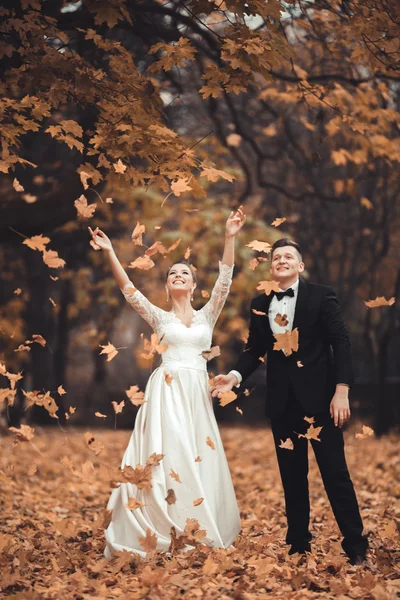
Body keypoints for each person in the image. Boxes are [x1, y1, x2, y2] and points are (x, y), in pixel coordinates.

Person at [88, 208, 245, 558]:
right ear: (167, 285)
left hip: (197, 394)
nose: (177, 275)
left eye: (183, 273)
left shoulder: (208, 314)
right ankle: (157, 525)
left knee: (196, 455)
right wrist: (111, 251)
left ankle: (195, 522)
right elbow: (129, 290)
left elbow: (226, 278)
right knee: (167, 454)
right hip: (168, 389)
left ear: (192, 285)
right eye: (172, 273)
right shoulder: (159, 316)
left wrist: (230, 237)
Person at [212, 238, 369, 565]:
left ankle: (356, 547)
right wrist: (235, 377)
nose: (281, 260)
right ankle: (298, 546)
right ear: (272, 267)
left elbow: (341, 343)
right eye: (276, 257)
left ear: (299, 265)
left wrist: (342, 389)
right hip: (282, 404)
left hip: (322, 403)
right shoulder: (260, 301)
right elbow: (255, 350)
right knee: (292, 479)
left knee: (335, 475)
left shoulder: (321, 295)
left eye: (288, 256)